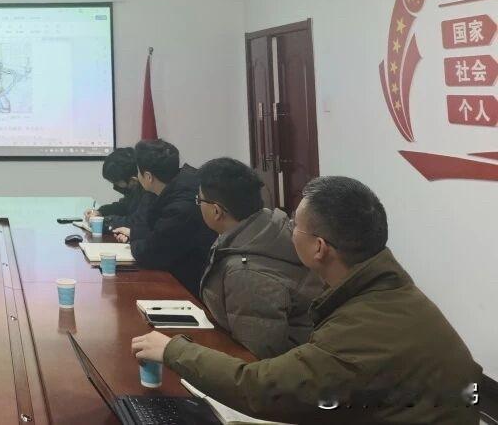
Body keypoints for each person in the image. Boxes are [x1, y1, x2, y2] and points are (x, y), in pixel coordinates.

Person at [132, 177, 481, 424]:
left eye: (294, 224)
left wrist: (173, 350)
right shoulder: (387, 288)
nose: (287, 229)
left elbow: (261, 388)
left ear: (319, 247)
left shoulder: (365, 326)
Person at [194, 158, 321, 358]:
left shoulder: (246, 273)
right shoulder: (266, 226)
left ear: (216, 211)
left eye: (199, 200)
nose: (198, 205)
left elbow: (256, 358)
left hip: (284, 368)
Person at [111, 139, 215, 296]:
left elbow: (151, 254)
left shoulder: (182, 205)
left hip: (189, 287)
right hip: (176, 272)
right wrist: (136, 234)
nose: (137, 177)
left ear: (148, 176)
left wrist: (134, 240)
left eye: (138, 172)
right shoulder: (168, 188)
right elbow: (155, 231)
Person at [84, 147, 151, 231]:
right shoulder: (135, 189)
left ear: (133, 180)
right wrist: (100, 212)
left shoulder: (150, 193)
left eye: (116, 182)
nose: (114, 186)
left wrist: (103, 221)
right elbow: (123, 207)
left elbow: (135, 222)